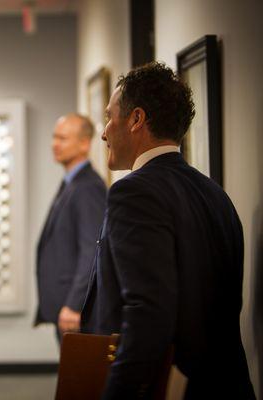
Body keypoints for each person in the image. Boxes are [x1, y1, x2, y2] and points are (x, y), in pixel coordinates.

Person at [81, 62, 255, 399]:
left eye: (109, 117)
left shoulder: (133, 193)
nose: (103, 132)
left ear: (136, 120)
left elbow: (148, 314)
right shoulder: (216, 194)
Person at [35, 113, 106, 339]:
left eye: (62, 138)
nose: (54, 144)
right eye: (54, 137)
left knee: (80, 374)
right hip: (64, 304)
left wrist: (76, 304)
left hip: (74, 307)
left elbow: (92, 249)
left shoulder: (88, 187)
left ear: (84, 143)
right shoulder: (72, 182)